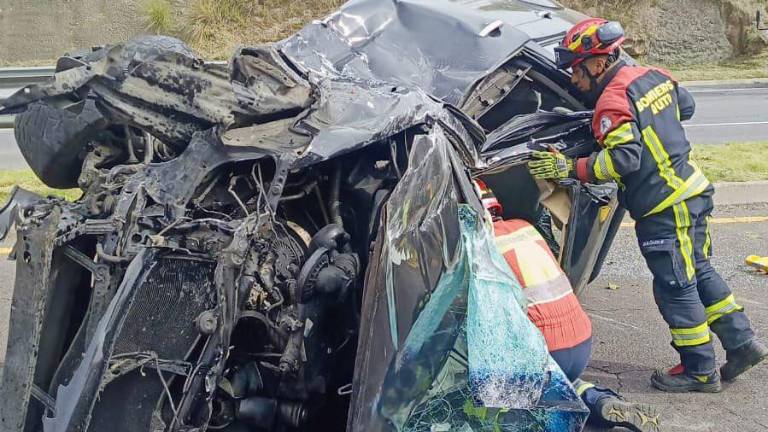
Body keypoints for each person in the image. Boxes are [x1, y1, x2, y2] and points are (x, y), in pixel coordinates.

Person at [528, 18, 768, 393]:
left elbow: (623, 159)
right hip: (693, 192)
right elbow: (684, 107)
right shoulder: (654, 75)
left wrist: (571, 167)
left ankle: (700, 371)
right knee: (699, 271)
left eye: (576, 70)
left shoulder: (611, 101)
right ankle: (742, 344)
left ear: (597, 63)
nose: (573, 80)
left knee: (674, 286)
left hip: (664, 208)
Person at [479, 181, 660, 432]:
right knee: (561, 379)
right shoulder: (525, 228)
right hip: (580, 341)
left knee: (490, 390)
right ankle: (600, 400)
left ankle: (556, 420)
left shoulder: (480, 245)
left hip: (544, 349)